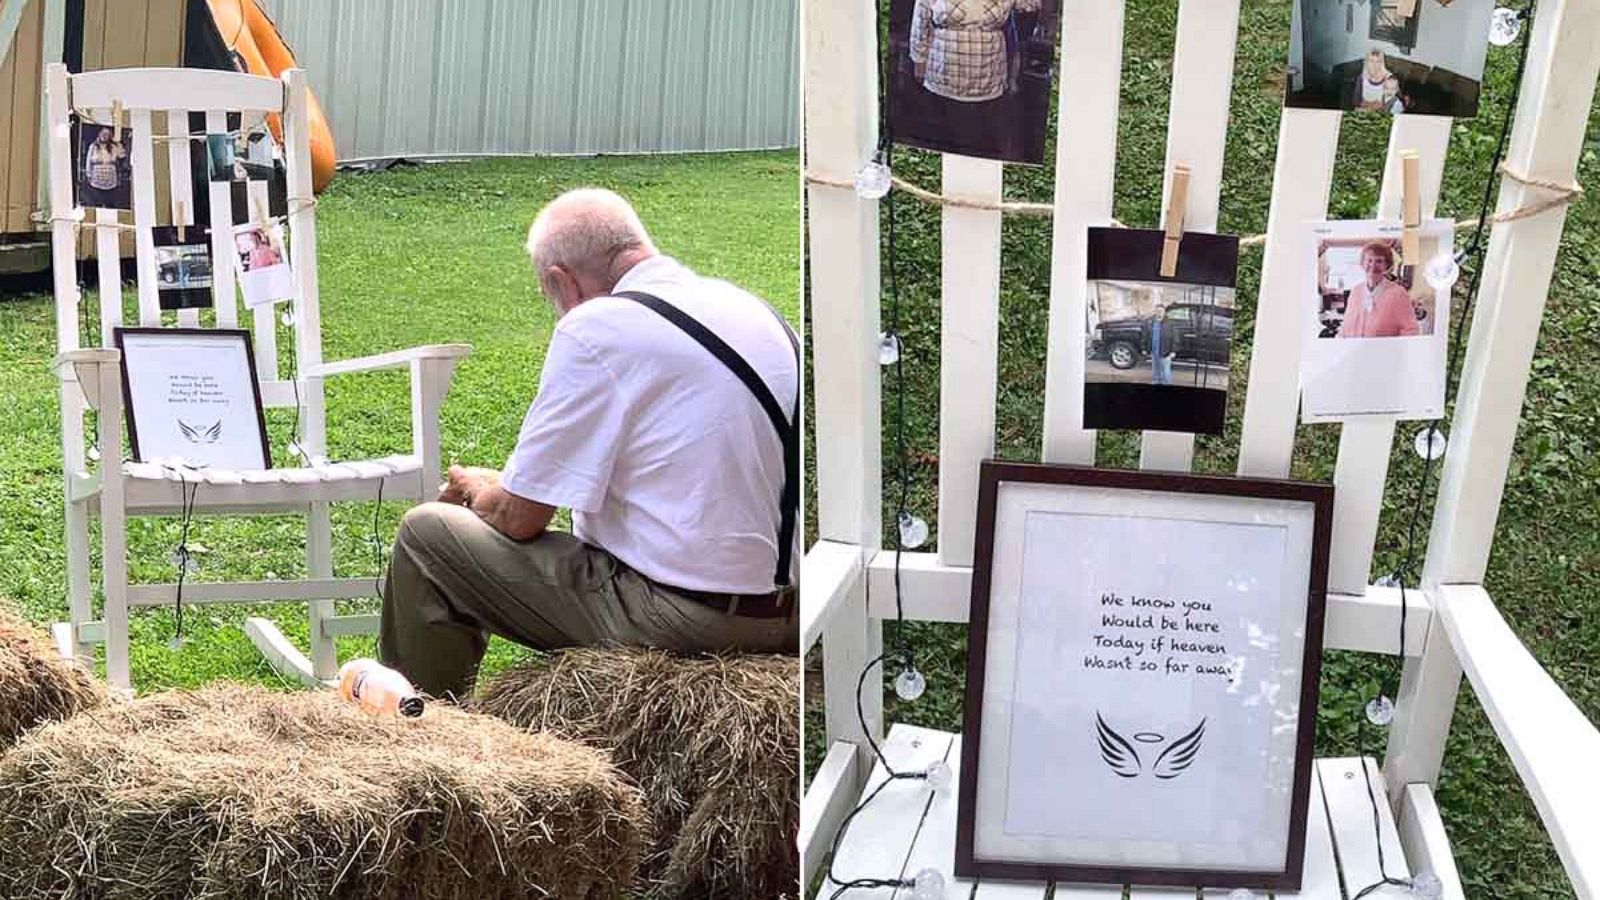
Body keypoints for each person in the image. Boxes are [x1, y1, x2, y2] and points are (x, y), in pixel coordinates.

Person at [378, 189, 799, 698]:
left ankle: (423, 734)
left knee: (428, 537)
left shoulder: (598, 326)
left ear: (562, 282)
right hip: (787, 611)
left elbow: (520, 517)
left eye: (547, 294)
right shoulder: (752, 310)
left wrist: (480, 488)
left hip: (687, 619)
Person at [1337, 242, 1419, 338]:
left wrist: (1395, 351)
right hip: (1354, 350)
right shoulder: (1356, 291)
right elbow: (1344, 327)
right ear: (1363, 263)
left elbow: (1410, 330)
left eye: (1379, 261)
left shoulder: (1398, 294)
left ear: (1387, 265)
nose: (1373, 265)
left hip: (1384, 351)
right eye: (1369, 260)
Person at [81, 127, 127, 208]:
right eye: (103, 133)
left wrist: (119, 145)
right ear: (99, 134)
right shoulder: (93, 146)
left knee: (110, 204)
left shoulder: (114, 147)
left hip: (110, 181)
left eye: (107, 134)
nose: (104, 136)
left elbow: (122, 155)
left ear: (110, 136)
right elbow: (88, 161)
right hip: (96, 181)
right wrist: (88, 174)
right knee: (96, 203)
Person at [1148, 305, 1179, 385]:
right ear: (1155, 312)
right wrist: (1145, 348)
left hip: (1165, 352)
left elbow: (1176, 338)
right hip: (1154, 352)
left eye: (1161, 311)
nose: (1159, 312)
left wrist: (1173, 351)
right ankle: (1155, 382)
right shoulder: (1151, 322)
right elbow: (1146, 336)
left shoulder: (1170, 324)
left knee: (1166, 372)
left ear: (1164, 312)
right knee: (1155, 371)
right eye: (1157, 311)